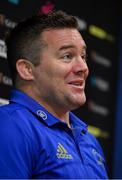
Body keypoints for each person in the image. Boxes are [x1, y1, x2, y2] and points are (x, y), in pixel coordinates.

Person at [0, 10, 108, 179]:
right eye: (67, 56)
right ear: (27, 70)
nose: (83, 68)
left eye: (83, 56)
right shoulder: (9, 126)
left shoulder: (89, 140)